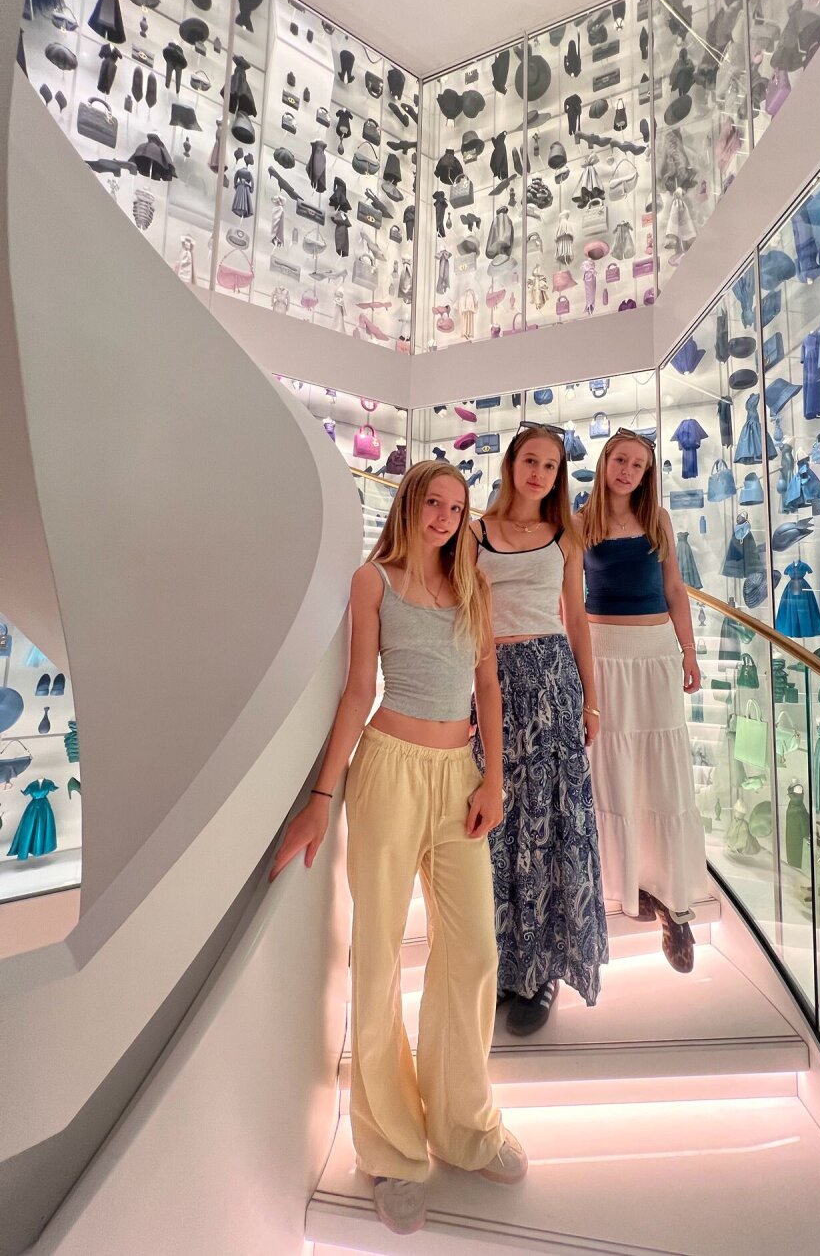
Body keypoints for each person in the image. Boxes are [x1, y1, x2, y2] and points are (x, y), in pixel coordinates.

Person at [268, 460, 525, 1237]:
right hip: (387, 771)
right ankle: (390, 1149)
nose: (445, 517)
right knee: (377, 955)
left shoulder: (473, 585)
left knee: (473, 951)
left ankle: (463, 1123)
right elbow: (357, 691)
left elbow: (487, 687)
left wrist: (494, 779)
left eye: (456, 506)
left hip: (459, 778)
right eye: (433, 502)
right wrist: (321, 799)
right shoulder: (371, 581)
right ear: (410, 506)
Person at [470, 423, 609, 1036]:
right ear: (510, 465)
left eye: (551, 466)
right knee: (496, 822)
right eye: (531, 461)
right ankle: (501, 963)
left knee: (550, 825)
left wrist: (592, 702)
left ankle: (542, 970)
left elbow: (576, 618)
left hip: (552, 681)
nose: (539, 474)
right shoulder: (474, 533)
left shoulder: (564, 535)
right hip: (489, 682)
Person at [578, 429, 706, 973]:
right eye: (621, 460)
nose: (628, 470)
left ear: (647, 473)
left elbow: (675, 588)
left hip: (655, 654)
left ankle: (675, 904)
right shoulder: (581, 523)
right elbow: (567, 600)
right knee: (612, 769)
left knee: (662, 773)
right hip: (602, 653)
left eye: (638, 464)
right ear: (605, 462)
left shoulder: (659, 521)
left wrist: (689, 651)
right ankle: (629, 883)